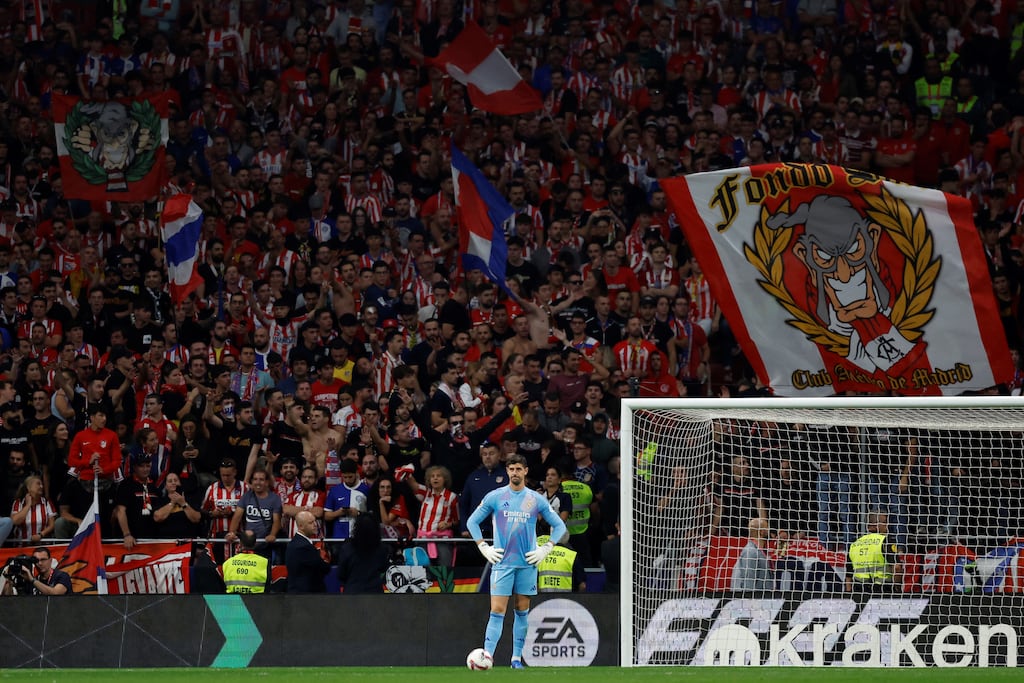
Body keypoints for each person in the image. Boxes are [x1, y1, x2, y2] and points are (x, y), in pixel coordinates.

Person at [467, 454, 568, 669]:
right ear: (507, 471)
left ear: (526, 471)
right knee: (497, 611)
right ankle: (487, 658)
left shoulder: (536, 499)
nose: (514, 473)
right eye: (511, 469)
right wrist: (483, 546)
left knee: (522, 610)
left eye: (518, 469)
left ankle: (516, 659)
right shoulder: (495, 496)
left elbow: (559, 526)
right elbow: (472, 521)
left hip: (527, 563)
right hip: (502, 563)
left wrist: (545, 549)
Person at [226, 470, 283, 560]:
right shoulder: (246, 496)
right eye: (255, 479)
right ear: (252, 481)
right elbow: (237, 517)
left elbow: (277, 520)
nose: (258, 482)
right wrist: (232, 533)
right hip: (247, 544)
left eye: (261, 479)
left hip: (265, 545)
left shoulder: (274, 499)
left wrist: (272, 535)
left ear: (267, 482)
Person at [846, 511, 902, 592]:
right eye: (885, 522)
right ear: (875, 525)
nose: (887, 526)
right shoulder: (885, 541)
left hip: (859, 590)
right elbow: (897, 568)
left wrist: (849, 592)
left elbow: (848, 574)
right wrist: (897, 588)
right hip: (883, 590)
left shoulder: (854, 544)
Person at [336, 513, 391, 594]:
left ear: (356, 528)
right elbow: (383, 569)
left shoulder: (346, 548)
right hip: (375, 594)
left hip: (352, 594)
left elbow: (341, 574)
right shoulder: (382, 549)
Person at [286, 510, 331, 593]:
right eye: (311, 523)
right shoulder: (303, 547)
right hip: (306, 596)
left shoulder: (296, 543)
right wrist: (325, 559)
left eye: (315, 521)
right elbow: (323, 568)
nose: (315, 525)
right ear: (301, 526)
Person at [2, 547, 71, 596]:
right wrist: (9, 581)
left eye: (43, 560)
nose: (40, 563)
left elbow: (56, 593)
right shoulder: (33, 580)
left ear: (50, 561)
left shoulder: (62, 576)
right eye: (36, 560)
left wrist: (32, 580)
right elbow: (13, 602)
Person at [730, 517, 773, 592]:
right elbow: (748, 582)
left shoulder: (758, 551)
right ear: (761, 532)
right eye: (767, 529)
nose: (770, 532)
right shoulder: (751, 552)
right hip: (754, 601)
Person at [222, 529, 270, 593]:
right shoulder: (264, 562)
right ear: (255, 543)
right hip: (258, 600)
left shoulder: (228, 562)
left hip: (233, 601)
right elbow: (268, 587)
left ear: (240, 543)